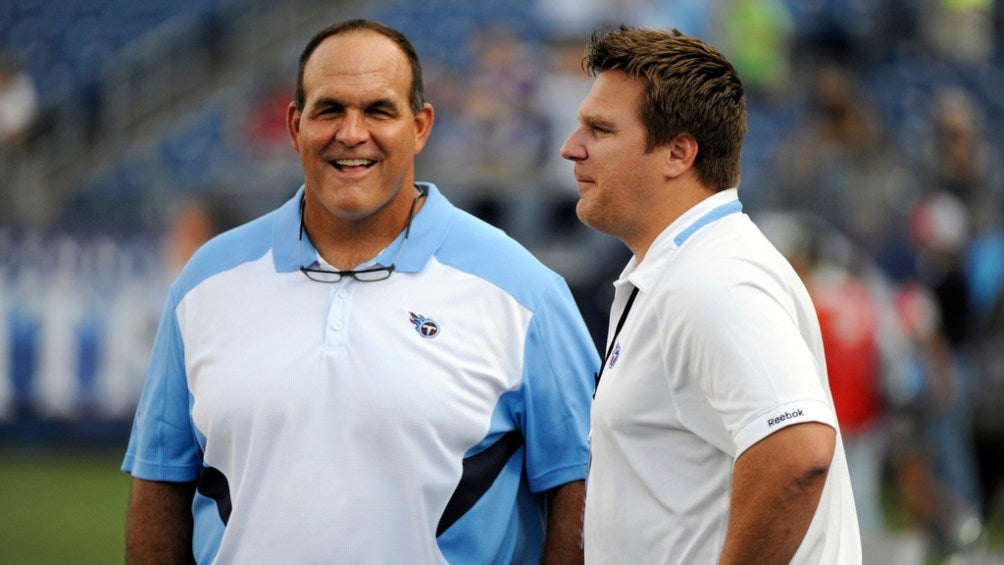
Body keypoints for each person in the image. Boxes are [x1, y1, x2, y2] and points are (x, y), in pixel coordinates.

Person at [122, 18, 598, 564]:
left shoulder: (523, 290)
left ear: (420, 126)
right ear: (295, 125)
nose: (352, 133)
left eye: (378, 110)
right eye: (330, 110)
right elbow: (160, 479)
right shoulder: (205, 282)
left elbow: (582, 488)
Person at [560, 27, 861, 563]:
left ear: (678, 153)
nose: (571, 147)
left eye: (599, 129)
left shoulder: (713, 277)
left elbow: (797, 451)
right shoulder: (688, 267)